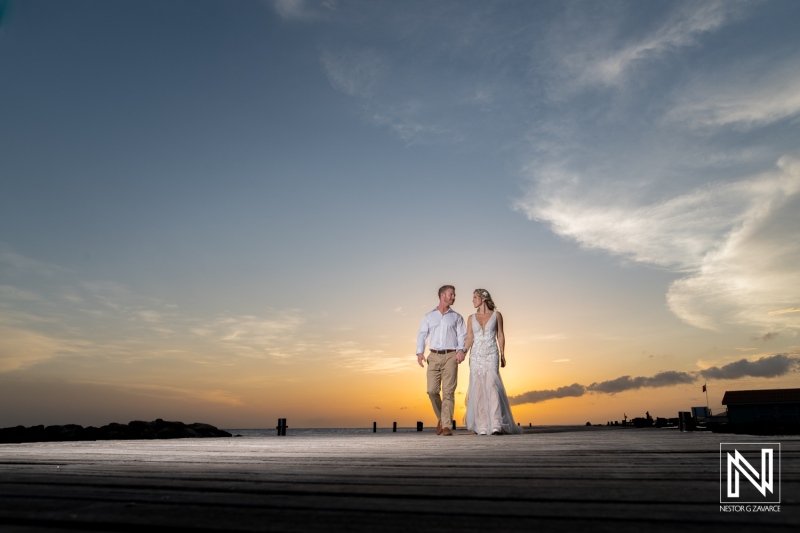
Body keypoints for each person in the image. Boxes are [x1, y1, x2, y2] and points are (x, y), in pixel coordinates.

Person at [463, 289, 522, 435]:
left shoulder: (497, 315)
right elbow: (469, 337)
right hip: (476, 355)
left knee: (492, 386)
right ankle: (482, 425)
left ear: (483, 299)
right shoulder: (471, 317)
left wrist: (502, 354)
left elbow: (500, 334)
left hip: (491, 353)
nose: (473, 300)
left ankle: (496, 423)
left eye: (475, 297)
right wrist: (463, 352)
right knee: (477, 388)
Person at [416, 285, 466, 436]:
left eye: (454, 294)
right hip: (434, 356)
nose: (454, 297)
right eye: (452, 294)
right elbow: (422, 334)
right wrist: (420, 353)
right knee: (432, 391)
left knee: (448, 392)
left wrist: (461, 351)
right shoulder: (429, 316)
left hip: (451, 356)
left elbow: (462, 336)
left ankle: (447, 426)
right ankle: (441, 418)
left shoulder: (457, 317)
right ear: (443, 295)